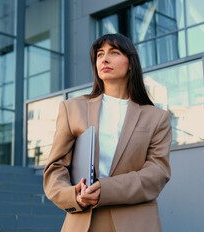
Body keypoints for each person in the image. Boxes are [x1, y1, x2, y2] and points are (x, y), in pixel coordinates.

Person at [43, 33, 172, 232]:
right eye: (100, 54)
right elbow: (55, 167)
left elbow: (157, 173)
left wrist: (107, 189)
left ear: (131, 63)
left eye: (114, 52)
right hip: (84, 220)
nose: (104, 58)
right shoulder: (72, 108)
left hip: (135, 222)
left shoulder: (156, 117)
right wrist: (73, 195)